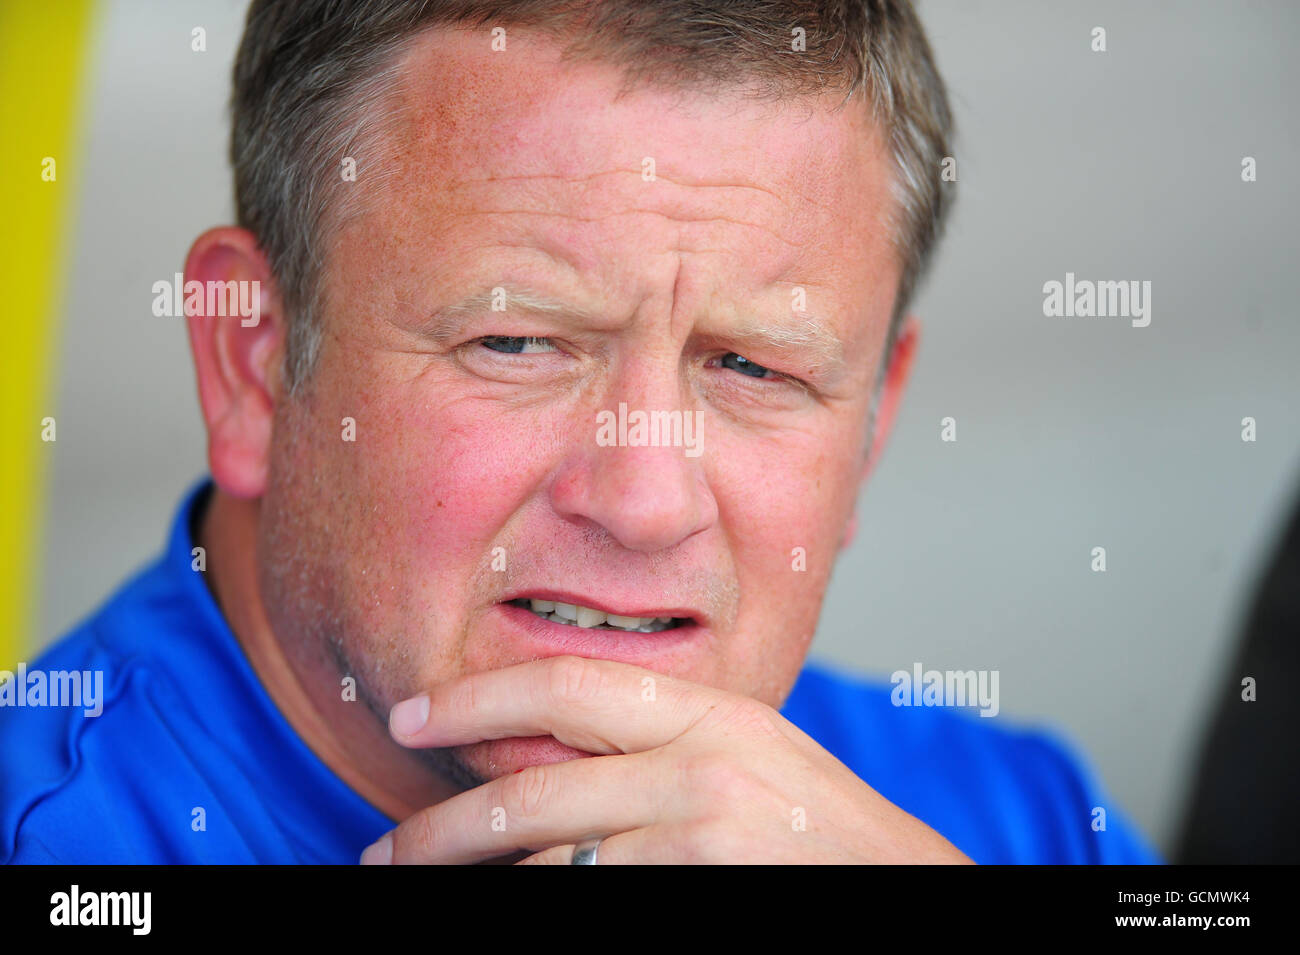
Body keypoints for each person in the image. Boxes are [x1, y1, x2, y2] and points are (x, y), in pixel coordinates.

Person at [0, 0, 1158, 864]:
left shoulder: (1018, 819)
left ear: (871, 426)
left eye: (753, 367)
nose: (644, 500)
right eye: (517, 344)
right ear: (252, 360)